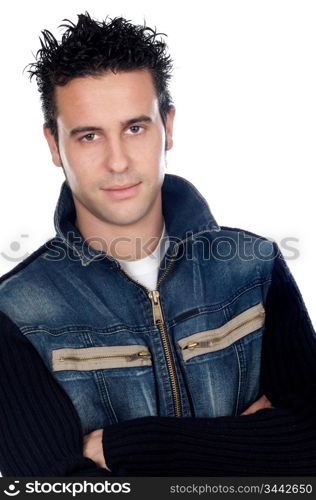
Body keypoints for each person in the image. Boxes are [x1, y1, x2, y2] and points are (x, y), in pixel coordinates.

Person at [0, 12, 316, 477]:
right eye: (89, 135)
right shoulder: (16, 312)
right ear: (54, 144)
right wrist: (255, 447)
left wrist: (137, 448)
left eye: (135, 127)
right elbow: (55, 489)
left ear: (167, 125)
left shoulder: (253, 268)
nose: (118, 161)